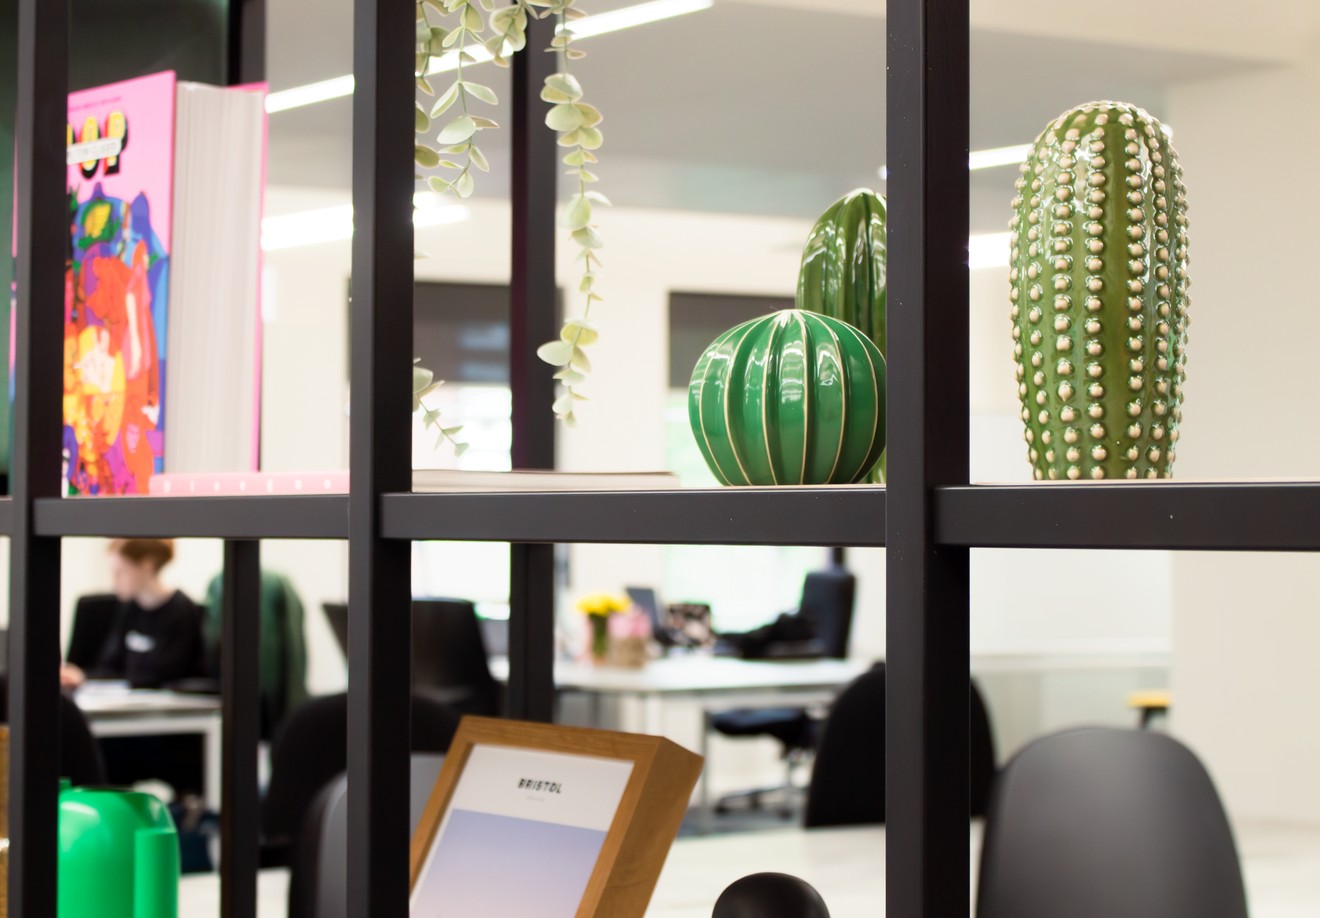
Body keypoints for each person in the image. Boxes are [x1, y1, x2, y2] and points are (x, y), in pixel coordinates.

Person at [61, 538, 206, 690]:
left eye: (120, 572)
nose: (114, 581)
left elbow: (165, 674)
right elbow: (110, 664)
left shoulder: (181, 610)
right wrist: (82, 676)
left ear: (146, 566)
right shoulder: (129, 608)